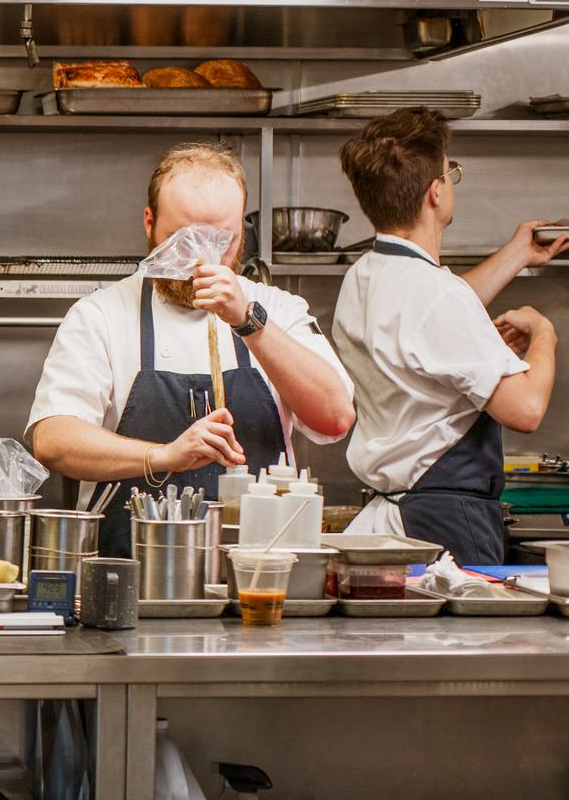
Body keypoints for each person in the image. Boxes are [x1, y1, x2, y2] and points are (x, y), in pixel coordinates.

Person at [28, 143, 354, 556]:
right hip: (133, 575)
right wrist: (165, 456)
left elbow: (336, 418)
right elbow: (53, 439)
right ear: (149, 223)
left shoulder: (279, 311)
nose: (203, 259)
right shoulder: (101, 315)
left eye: (222, 240)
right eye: (183, 241)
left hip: (260, 577)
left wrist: (248, 322)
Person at [332, 108, 564, 564]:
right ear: (436, 192)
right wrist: (545, 332)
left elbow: (429, 315)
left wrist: (517, 254)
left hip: (400, 517)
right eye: (450, 172)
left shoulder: (365, 274)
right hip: (446, 525)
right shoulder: (434, 295)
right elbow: (526, 409)